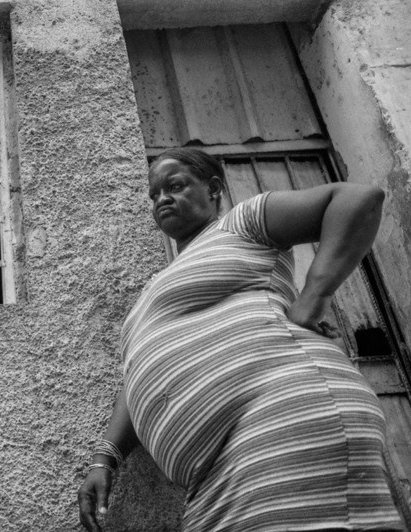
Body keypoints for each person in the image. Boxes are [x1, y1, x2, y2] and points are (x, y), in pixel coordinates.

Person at [78, 147, 403, 531]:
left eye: (174, 185)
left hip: (281, 421)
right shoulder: (154, 290)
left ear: (214, 188)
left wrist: (311, 300)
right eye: (154, 195)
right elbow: (136, 379)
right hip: (208, 483)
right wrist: (106, 456)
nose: (161, 198)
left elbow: (356, 200)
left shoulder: (240, 223)